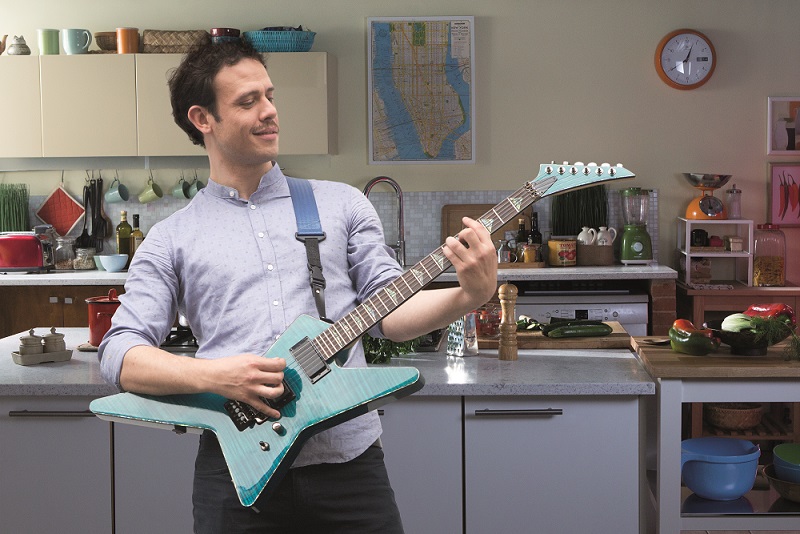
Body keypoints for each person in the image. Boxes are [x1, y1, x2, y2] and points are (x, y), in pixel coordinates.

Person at [98, 37, 497, 533]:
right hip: (236, 473)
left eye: (269, 95)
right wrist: (216, 377)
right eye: (248, 102)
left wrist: (469, 295)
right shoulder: (171, 239)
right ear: (203, 119)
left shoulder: (341, 205)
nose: (270, 112)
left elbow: (390, 318)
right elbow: (119, 354)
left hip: (349, 466)